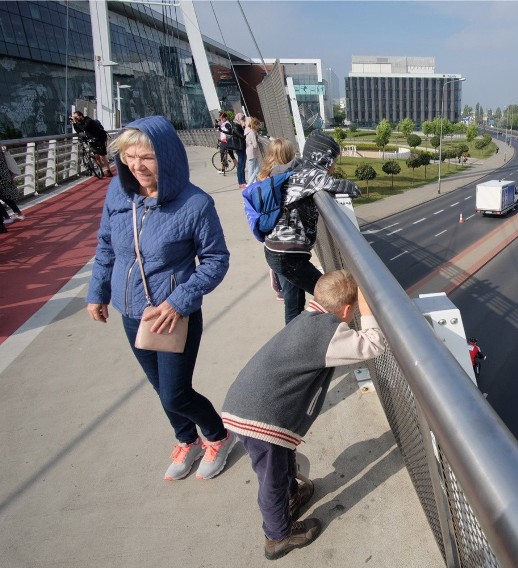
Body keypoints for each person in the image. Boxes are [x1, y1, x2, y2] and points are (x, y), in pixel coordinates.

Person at [86, 116, 236, 481]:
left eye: (146, 157)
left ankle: (218, 435)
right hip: (132, 312)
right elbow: (106, 246)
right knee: (160, 389)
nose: (136, 166)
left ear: (166, 157)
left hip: (173, 315)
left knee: (175, 394)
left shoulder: (195, 204)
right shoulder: (119, 195)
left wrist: (178, 301)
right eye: (129, 157)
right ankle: (188, 440)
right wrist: (98, 292)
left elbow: (216, 260)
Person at [221, 270, 387, 560]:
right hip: (260, 418)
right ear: (347, 310)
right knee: (271, 478)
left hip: (247, 404)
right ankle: (278, 535)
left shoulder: (308, 317)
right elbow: (373, 345)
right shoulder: (327, 334)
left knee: (283, 459)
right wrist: (368, 308)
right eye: (353, 312)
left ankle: (290, 498)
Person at [264, 130, 361, 324]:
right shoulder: (314, 175)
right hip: (288, 255)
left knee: (294, 303)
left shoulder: (297, 167)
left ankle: (292, 344)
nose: (334, 166)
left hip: (276, 249)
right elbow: (351, 189)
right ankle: (313, 340)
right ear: (323, 158)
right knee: (330, 296)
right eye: (333, 160)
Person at [257, 138, 298, 304]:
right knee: (292, 299)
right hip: (283, 238)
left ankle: (279, 283)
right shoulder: (282, 178)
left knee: (286, 288)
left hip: (268, 232)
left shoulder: (263, 176)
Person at [71, 111, 112, 176]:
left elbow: (84, 128)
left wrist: (76, 122)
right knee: (96, 156)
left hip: (99, 139)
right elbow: (79, 130)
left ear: (81, 116)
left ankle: (108, 170)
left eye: (76, 117)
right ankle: (100, 170)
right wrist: (74, 123)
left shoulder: (88, 121)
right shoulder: (81, 123)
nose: (76, 118)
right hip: (92, 140)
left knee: (102, 156)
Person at [1, 146, 25, 233]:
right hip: (4, 174)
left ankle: (6, 217)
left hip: (2, 175)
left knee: (3, 196)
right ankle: (18, 213)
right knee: (4, 195)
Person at [232, 113, 248, 187]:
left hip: (241, 147)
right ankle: (241, 182)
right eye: (242, 118)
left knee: (242, 165)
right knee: (241, 165)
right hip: (240, 148)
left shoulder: (237, 125)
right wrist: (244, 127)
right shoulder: (236, 126)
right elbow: (242, 136)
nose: (242, 120)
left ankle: (242, 181)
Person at [245, 116, 261, 185]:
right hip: (252, 153)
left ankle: (253, 182)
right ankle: (249, 183)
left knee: (253, 169)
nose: (258, 127)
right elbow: (255, 145)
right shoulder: (252, 132)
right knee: (255, 169)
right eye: (258, 125)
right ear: (255, 125)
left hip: (250, 153)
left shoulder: (248, 131)